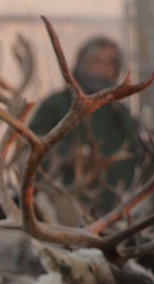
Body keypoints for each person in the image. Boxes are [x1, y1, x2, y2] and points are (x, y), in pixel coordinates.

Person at [27, 36, 142, 213]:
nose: (103, 69)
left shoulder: (119, 111)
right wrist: (68, 153)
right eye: (95, 61)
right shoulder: (57, 103)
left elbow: (137, 150)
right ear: (81, 64)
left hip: (118, 204)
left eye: (110, 63)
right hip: (67, 201)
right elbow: (31, 144)